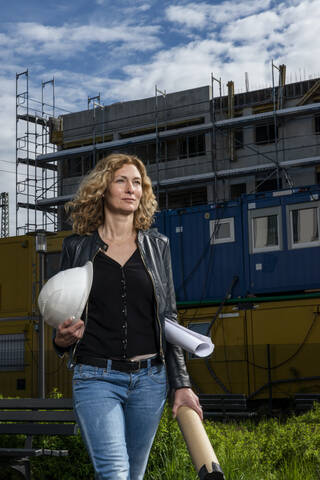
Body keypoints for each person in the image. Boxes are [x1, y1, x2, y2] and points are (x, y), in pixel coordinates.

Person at [53, 152, 202, 480]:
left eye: (137, 183)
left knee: (133, 475)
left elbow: (169, 317)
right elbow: (63, 313)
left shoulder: (158, 246)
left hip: (150, 381)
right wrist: (61, 340)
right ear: (103, 188)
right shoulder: (76, 247)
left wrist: (182, 384)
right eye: (121, 180)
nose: (131, 188)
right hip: (95, 377)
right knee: (115, 472)